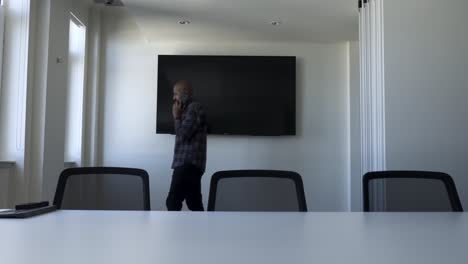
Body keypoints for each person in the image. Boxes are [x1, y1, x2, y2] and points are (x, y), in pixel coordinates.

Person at [166, 80, 207, 211]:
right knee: (194, 203)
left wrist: (176, 117)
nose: (174, 98)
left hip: (187, 164)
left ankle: (174, 231)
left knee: (173, 201)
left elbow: (183, 135)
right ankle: (202, 229)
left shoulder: (194, 108)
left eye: (176, 94)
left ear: (185, 94)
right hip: (191, 165)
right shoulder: (189, 109)